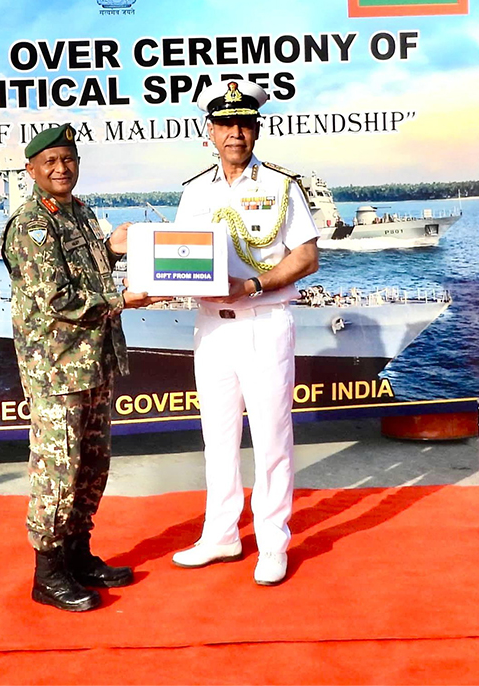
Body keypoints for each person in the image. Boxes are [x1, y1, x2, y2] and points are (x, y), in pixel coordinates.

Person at [170, 80, 319, 586]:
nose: (236, 133)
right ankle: (221, 534)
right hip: (211, 328)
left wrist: (253, 283)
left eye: (245, 123)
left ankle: (273, 541)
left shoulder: (281, 187)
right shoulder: (194, 191)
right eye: (226, 124)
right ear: (208, 130)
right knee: (218, 438)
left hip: (264, 322)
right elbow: (178, 256)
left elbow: (306, 256)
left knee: (272, 438)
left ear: (256, 129)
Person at [2, 123, 147, 611]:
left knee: (91, 465)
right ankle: (47, 572)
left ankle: (78, 555)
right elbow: (58, 297)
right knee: (58, 471)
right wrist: (123, 298)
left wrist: (113, 249)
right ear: (32, 170)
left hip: (95, 361)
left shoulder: (79, 213)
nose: (61, 168)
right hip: (58, 369)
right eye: (51, 162)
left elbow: (84, 270)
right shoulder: (31, 225)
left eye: (69, 159)